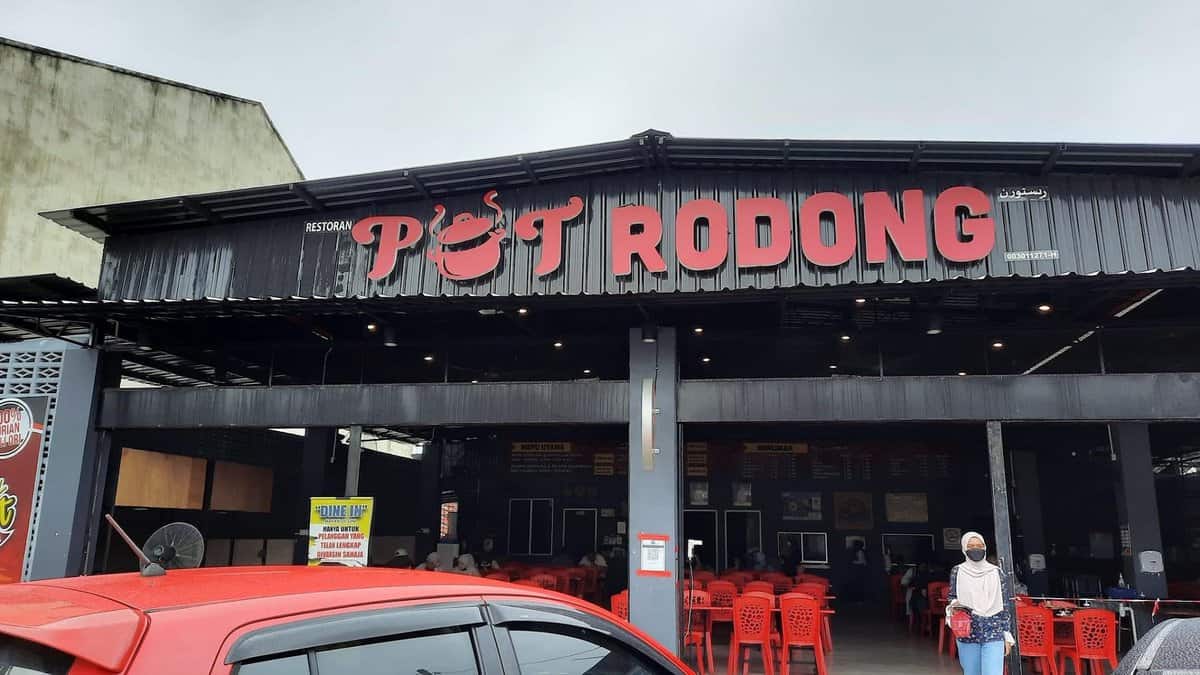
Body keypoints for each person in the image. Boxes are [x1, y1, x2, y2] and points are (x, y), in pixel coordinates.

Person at [947, 532, 1013, 675]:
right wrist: (954, 607)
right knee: (972, 672)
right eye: (971, 546)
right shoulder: (958, 571)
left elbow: (1005, 605)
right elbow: (952, 596)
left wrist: (1007, 634)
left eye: (979, 545)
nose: (976, 549)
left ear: (985, 547)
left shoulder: (996, 572)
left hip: (994, 630)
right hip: (968, 630)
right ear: (964, 548)